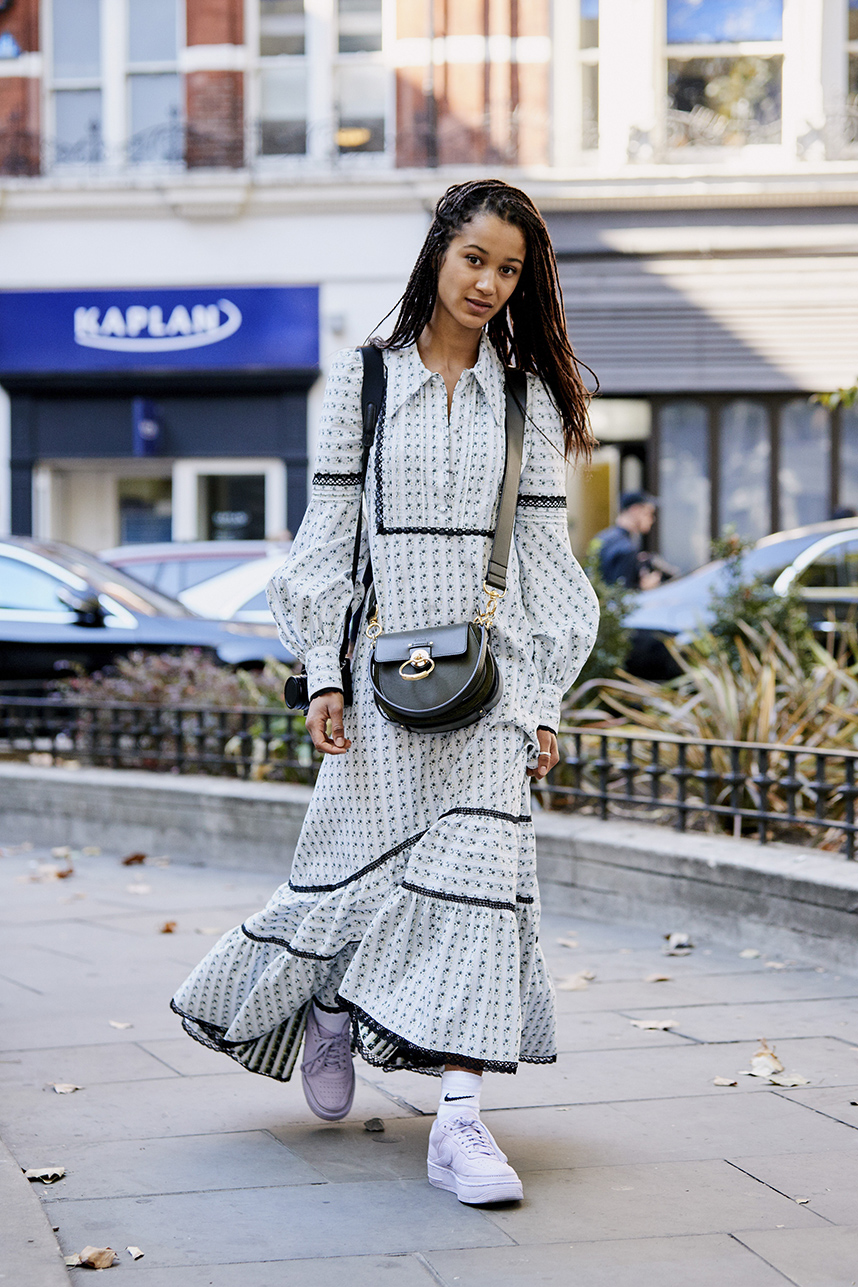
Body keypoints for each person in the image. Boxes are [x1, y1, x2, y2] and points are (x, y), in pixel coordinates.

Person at [171, 179, 599, 1207]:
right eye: (475, 260)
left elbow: (547, 562)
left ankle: (459, 1124)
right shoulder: (359, 384)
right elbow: (321, 547)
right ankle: (326, 1004)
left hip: (492, 687)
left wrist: (542, 701)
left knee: (478, 892)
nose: (490, 283)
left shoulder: (526, 400)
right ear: (437, 256)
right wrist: (323, 673)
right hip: (380, 684)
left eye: (509, 270)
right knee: (351, 876)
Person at [594, 490, 662, 590]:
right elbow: (621, 595)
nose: (652, 519)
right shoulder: (626, 548)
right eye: (648, 513)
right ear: (635, 510)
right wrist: (645, 587)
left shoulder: (603, 537)